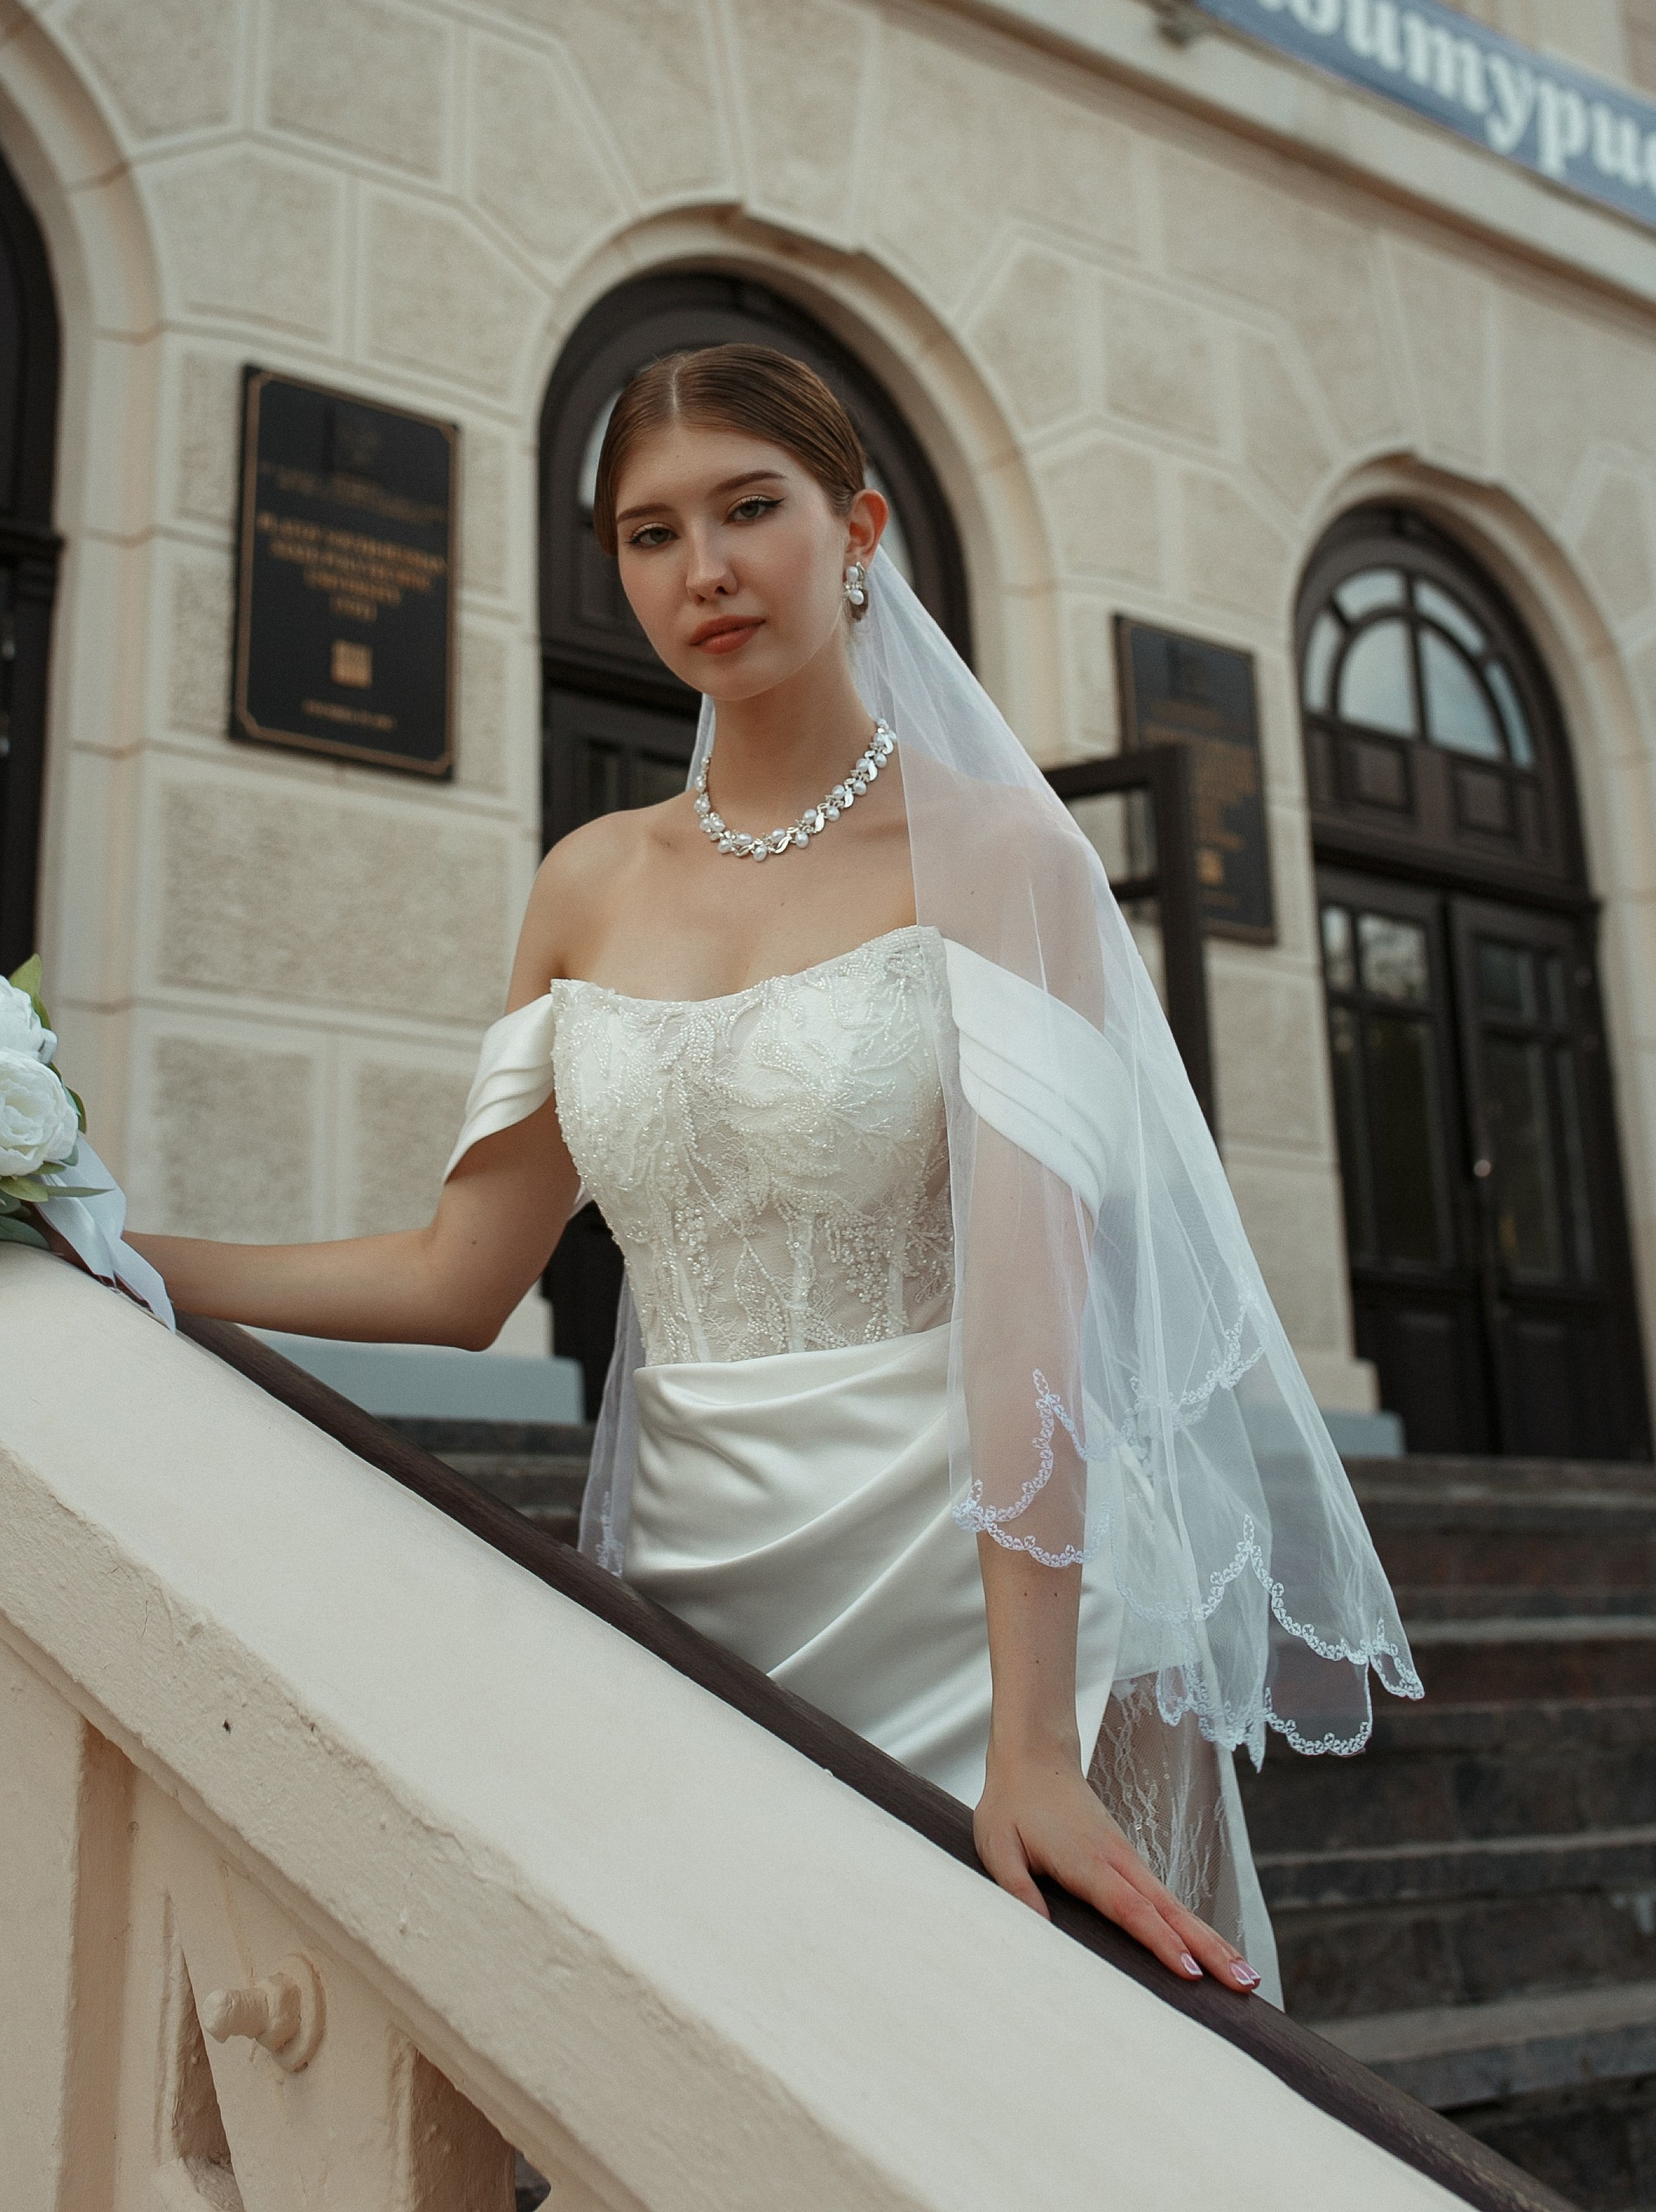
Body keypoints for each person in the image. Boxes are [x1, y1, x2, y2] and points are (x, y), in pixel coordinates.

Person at [133, 345, 1418, 1997]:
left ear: (856, 527)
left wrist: (1031, 1743)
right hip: (693, 1585)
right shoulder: (589, 881)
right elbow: (460, 1277)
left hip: (973, 1603)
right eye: (650, 534)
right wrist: (118, 1248)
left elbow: (1032, 1318)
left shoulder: (1000, 854)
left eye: (751, 510)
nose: (707, 571)